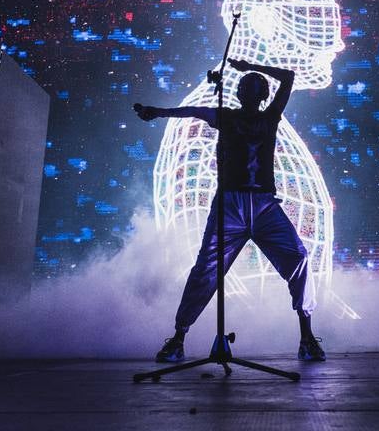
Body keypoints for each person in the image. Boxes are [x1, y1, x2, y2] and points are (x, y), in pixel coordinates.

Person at [134, 56, 326, 363]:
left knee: (299, 258)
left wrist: (248, 66)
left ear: (262, 96)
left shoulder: (270, 117)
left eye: (255, 87)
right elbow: (192, 112)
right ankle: (178, 337)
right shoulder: (226, 116)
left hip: (264, 204)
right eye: (245, 87)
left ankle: (306, 337)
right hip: (231, 205)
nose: (250, 91)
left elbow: (288, 77)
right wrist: (157, 112)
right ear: (238, 94)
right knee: (205, 270)